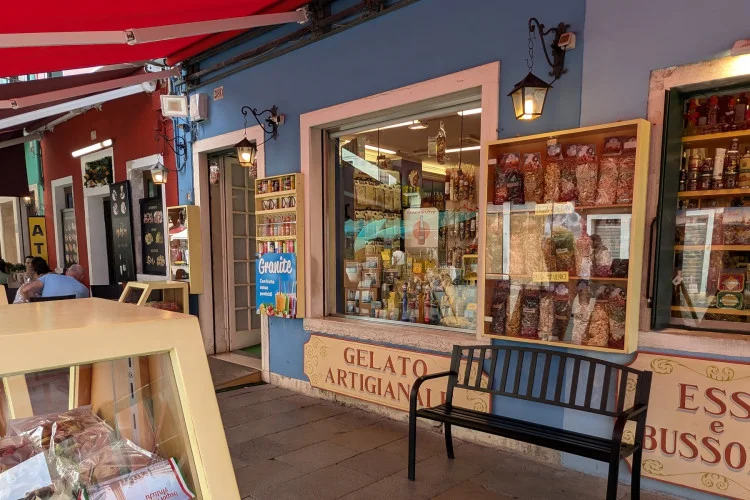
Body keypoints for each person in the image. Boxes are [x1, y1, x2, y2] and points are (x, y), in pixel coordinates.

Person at [21, 260, 90, 300]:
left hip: (46, 317)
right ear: (81, 277)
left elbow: (25, 289)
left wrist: (35, 303)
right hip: (70, 318)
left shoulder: (49, 277)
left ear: (66, 272)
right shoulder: (84, 289)